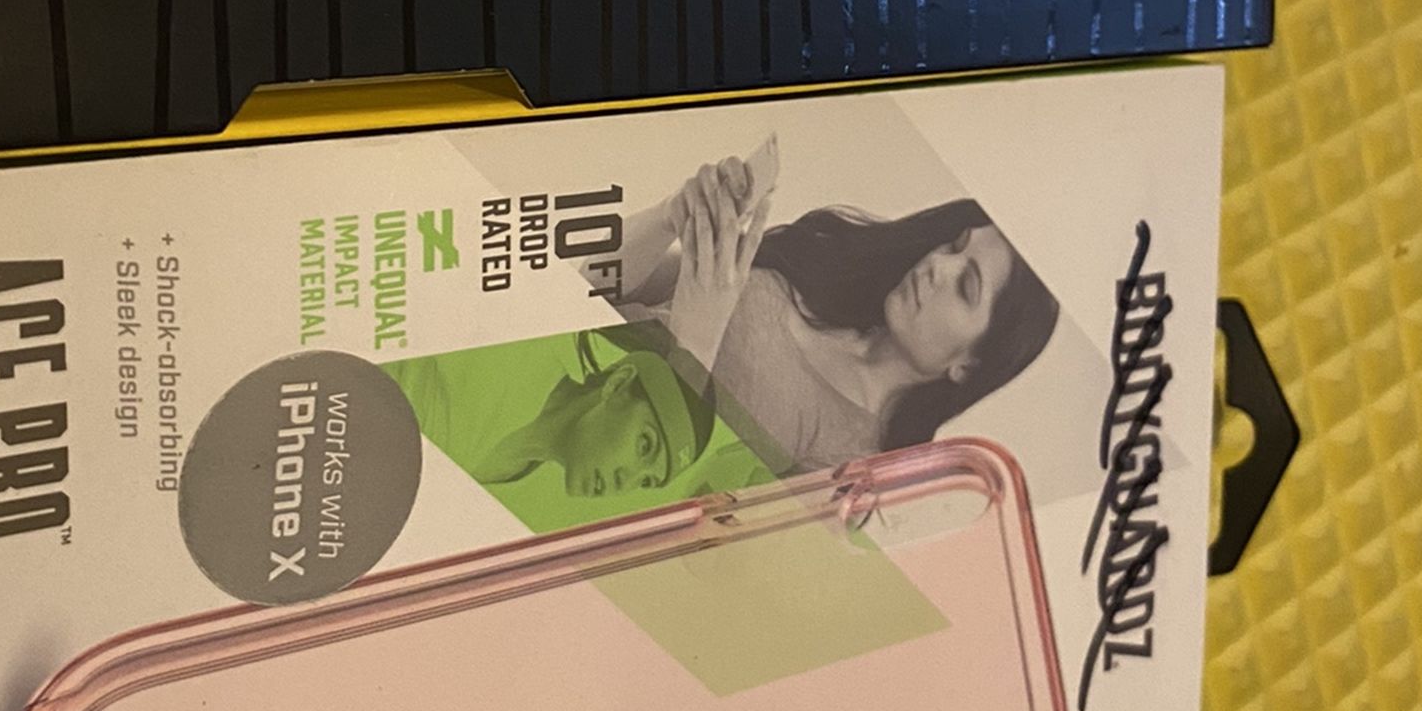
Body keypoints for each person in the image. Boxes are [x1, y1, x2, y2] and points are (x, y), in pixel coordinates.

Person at [613, 138, 1060, 472]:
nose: (937, 266)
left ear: (970, 365)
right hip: (576, 359)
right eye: (953, 246)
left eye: (966, 286)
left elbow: (675, 517)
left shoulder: (852, 464)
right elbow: (601, 284)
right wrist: (674, 214)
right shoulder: (822, 271)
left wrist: (694, 340)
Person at [389, 323, 718, 500]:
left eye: (646, 481)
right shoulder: (518, 351)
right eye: (645, 445)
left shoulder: (516, 472)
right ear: (618, 384)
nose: (626, 481)